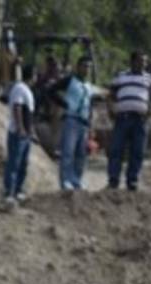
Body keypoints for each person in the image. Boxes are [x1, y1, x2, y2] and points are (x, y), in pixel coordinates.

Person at [107, 52, 151, 192]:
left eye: (145, 61)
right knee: (116, 149)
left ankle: (132, 181)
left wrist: (149, 112)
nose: (144, 64)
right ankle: (113, 181)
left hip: (140, 119)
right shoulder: (121, 76)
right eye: (141, 61)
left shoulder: (150, 78)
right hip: (122, 118)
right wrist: (111, 109)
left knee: (138, 151)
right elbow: (110, 95)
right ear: (132, 62)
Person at [48, 56, 95, 192]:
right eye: (84, 66)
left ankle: (76, 181)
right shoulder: (70, 80)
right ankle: (66, 181)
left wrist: (90, 122)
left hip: (84, 122)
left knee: (81, 154)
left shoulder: (89, 85)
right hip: (71, 119)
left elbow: (89, 104)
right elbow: (51, 90)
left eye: (89, 67)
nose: (87, 69)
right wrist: (64, 104)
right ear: (78, 67)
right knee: (68, 151)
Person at [2, 63, 35, 204]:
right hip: (18, 133)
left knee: (23, 163)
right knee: (14, 162)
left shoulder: (27, 90)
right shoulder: (20, 88)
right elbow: (17, 107)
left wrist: (31, 131)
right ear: (32, 76)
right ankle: (9, 192)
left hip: (26, 134)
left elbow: (29, 113)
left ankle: (18, 190)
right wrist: (20, 128)